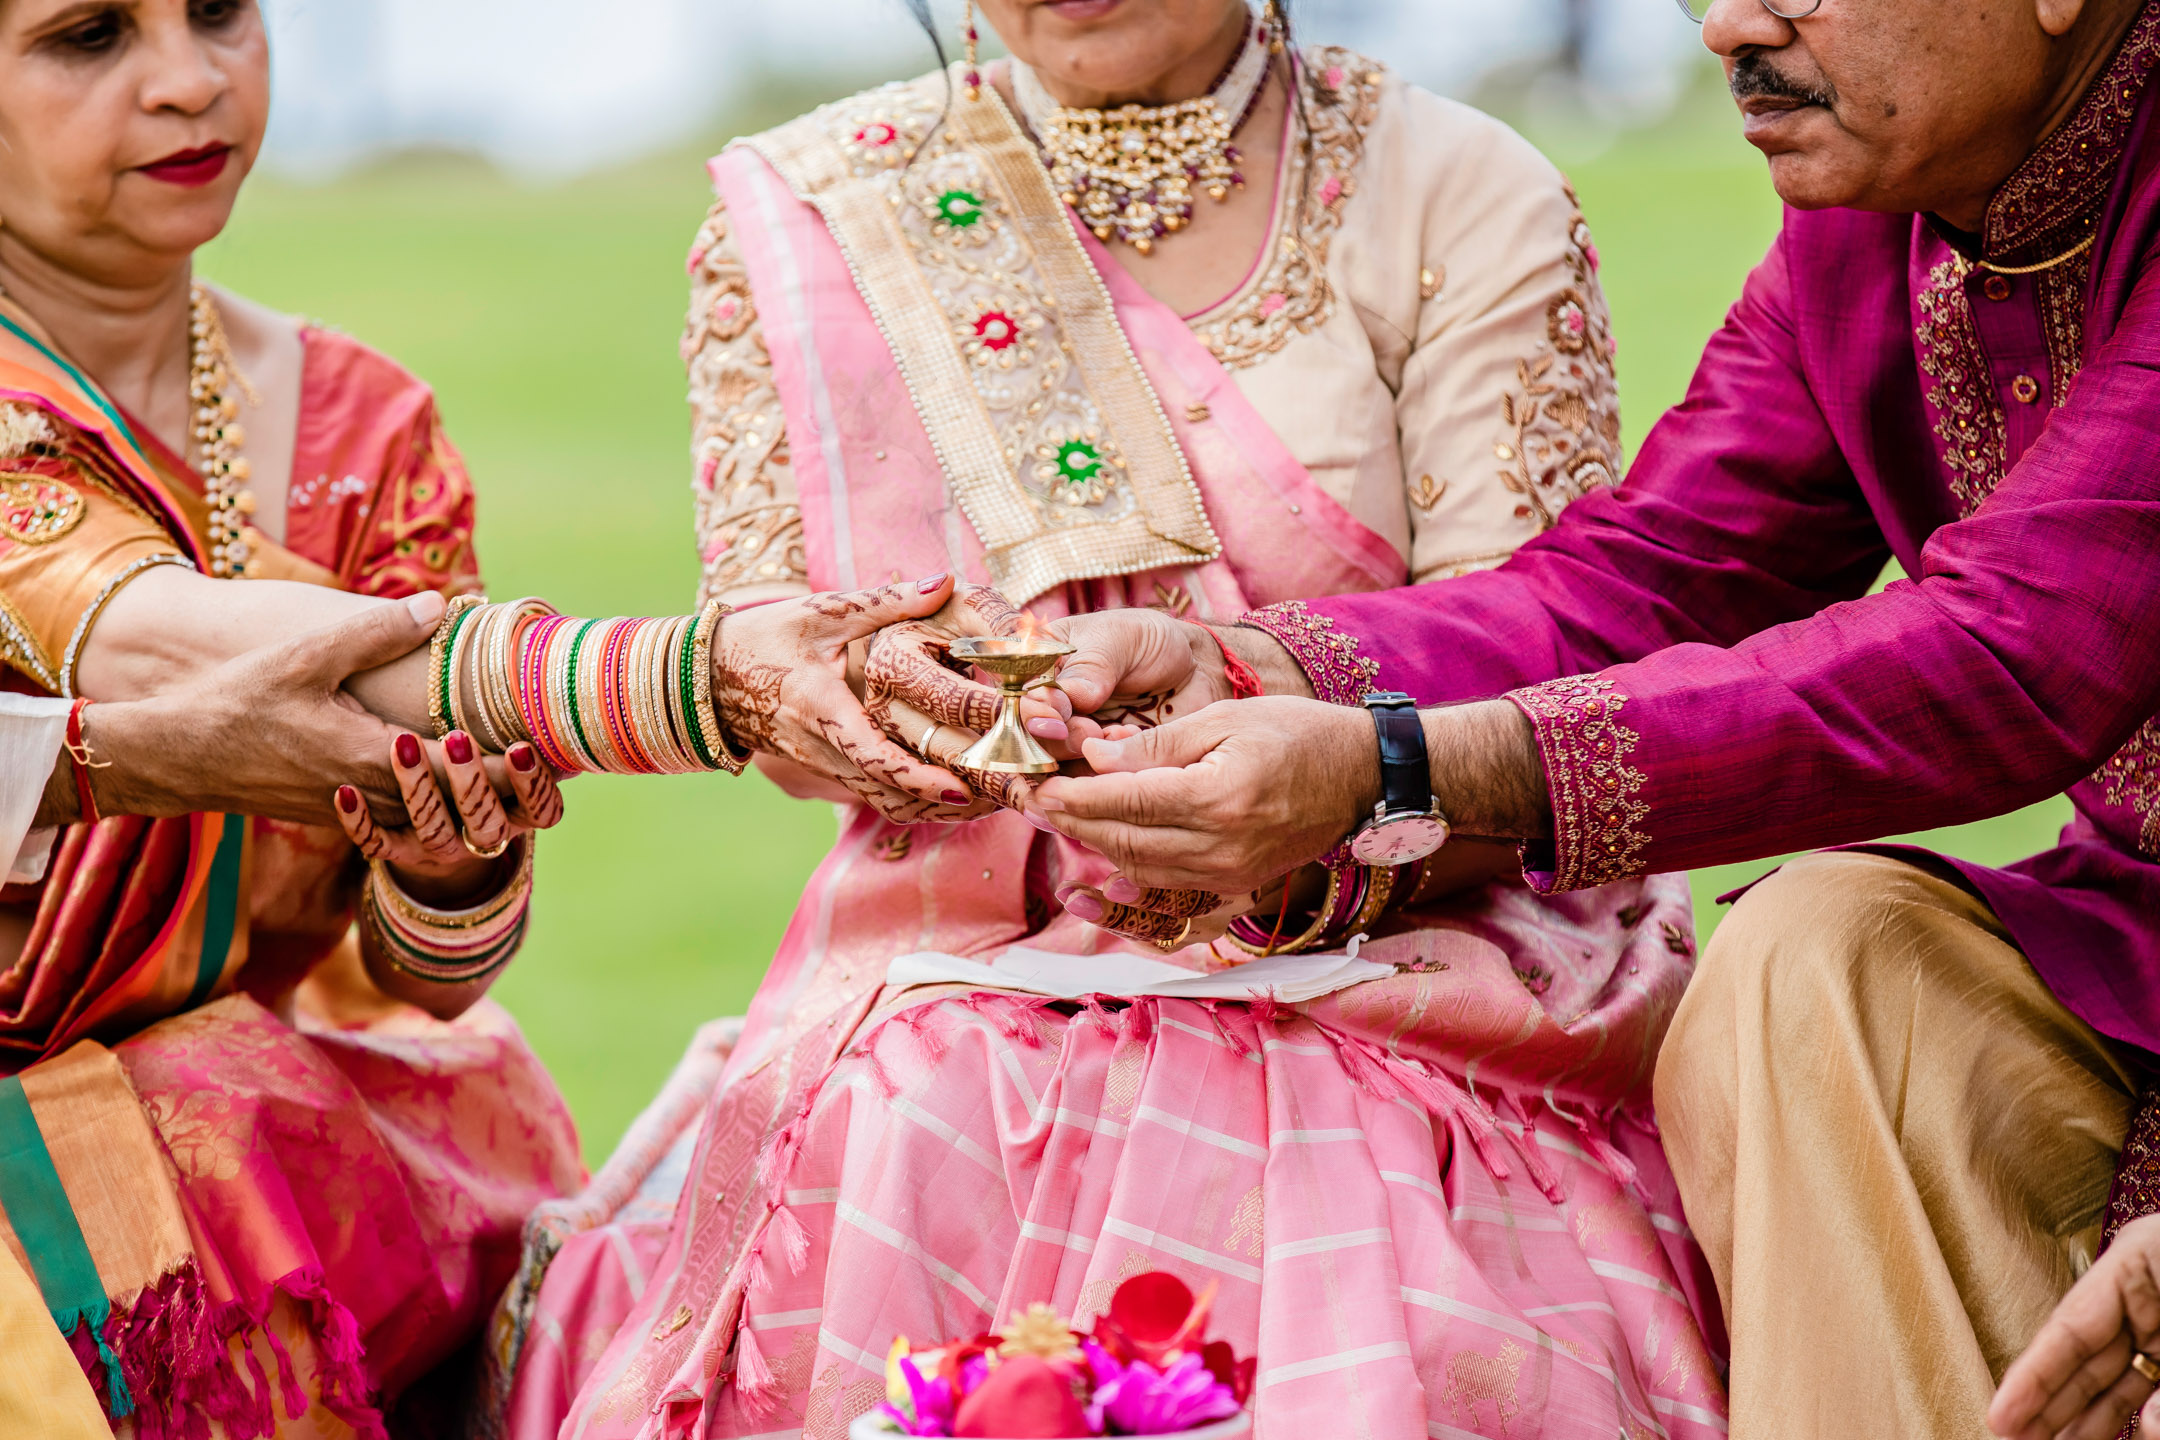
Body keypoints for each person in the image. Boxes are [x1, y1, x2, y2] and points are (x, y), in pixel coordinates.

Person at [501, 3, 1731, 1438]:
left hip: (1415, 931)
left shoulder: (1455, 187)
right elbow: (779, 691)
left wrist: (1298, 797)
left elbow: (1541, 649)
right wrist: (932, 718)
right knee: (930, 1103)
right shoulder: (826, 213)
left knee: (1356, 1201)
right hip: (969, 950)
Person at [968, 0, 2160, 1435]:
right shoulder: (1880, 229)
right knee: (1814, 957)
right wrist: (1262, 673)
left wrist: (1399, 766)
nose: (1730, 26)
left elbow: (2012, 657)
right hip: (2129, 954)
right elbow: (1660, 574)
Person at [0, 1, 1042, 1430]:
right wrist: (703, 684)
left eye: (221, 12)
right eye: (88, 35)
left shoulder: (363, 424)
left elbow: (427, 976)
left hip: (263, 1153)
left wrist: (447, 863)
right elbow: (140, 637)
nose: (189, 80)